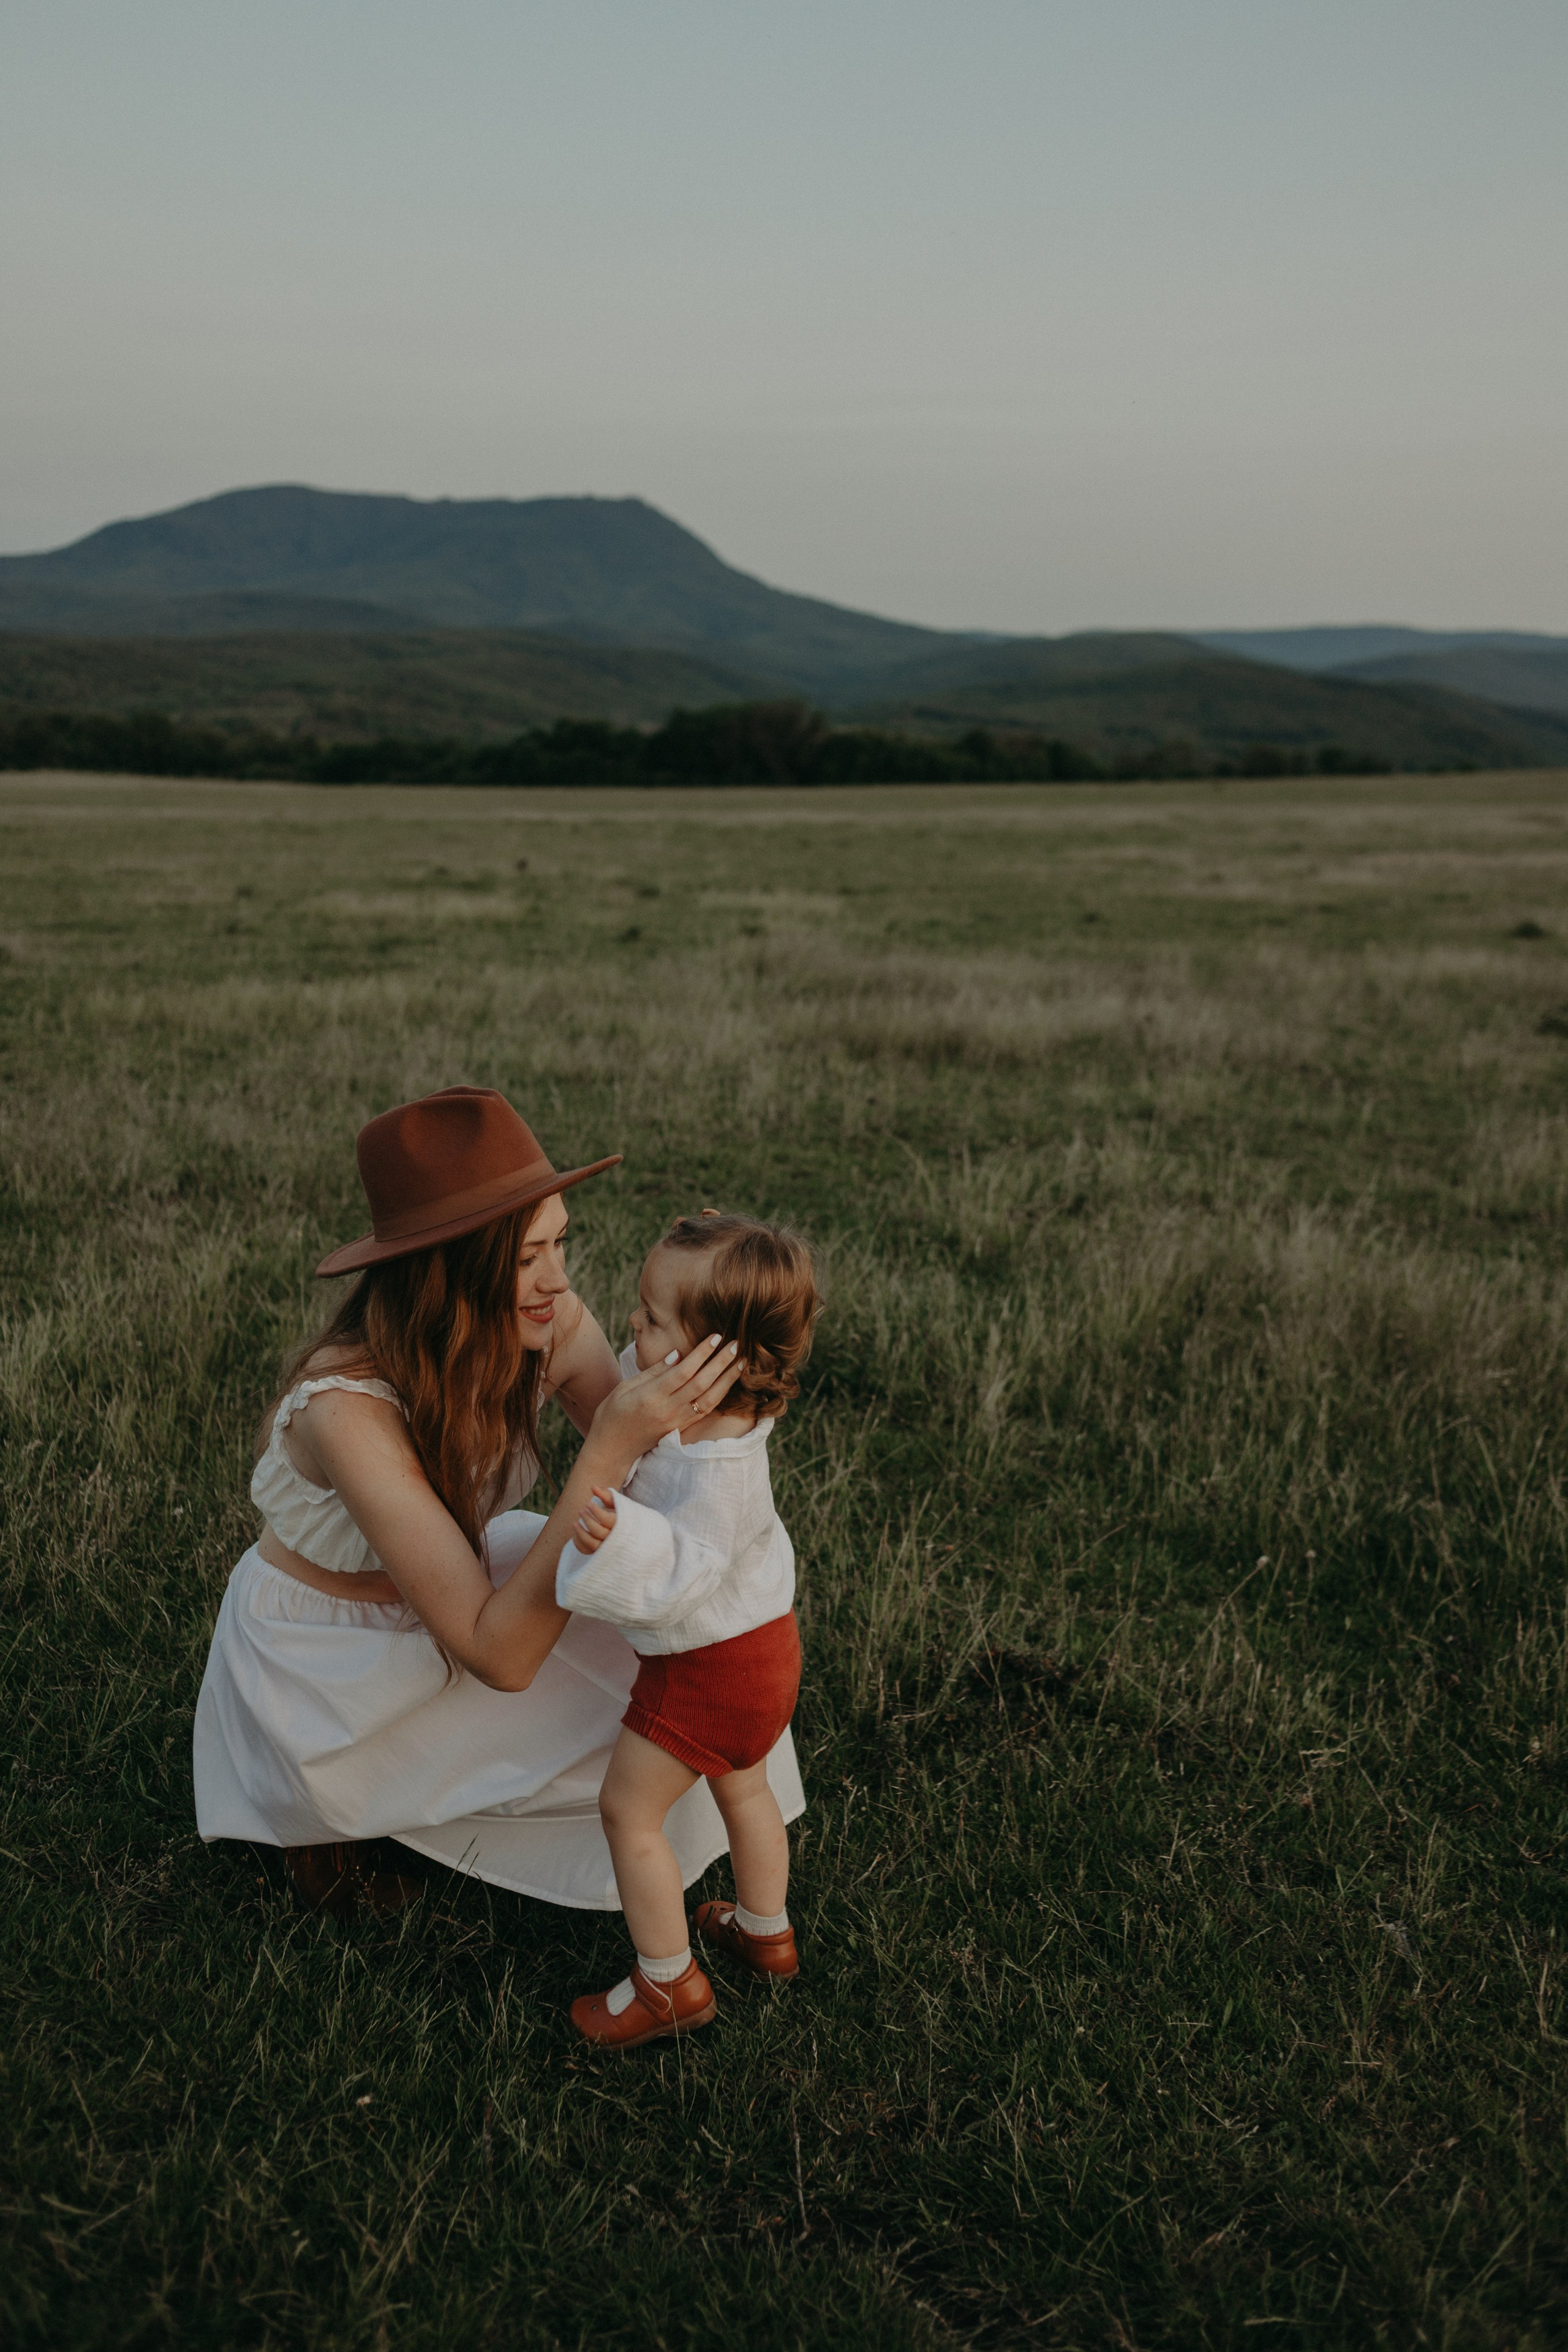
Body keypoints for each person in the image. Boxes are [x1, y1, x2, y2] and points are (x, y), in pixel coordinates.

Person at [192, 1087, 805, 1918]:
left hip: (481, 1589)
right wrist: (608, 1450)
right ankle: (330, 1816)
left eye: (560, 1243)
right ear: (448, 1273)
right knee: (613, 1688)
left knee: (692, 1660)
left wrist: (735, 1393)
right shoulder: (346, 1408)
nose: (557, 1283)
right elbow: (500, 1656)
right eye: (526, 1260)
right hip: (336, 1665)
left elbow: (669, 1466)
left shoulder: (547, 1324)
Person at [553, 1212, 820, 2048]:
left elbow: (683, 1573)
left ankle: (665, 1981)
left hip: (708, 1671)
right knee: (745, 1785)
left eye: (654, 1316)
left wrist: (618, 1539)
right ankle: (764, 1928)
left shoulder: (720, 1471)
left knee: (628, 1811)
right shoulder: (712, 1408)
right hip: (768, 1653)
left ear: (715, 1357)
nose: (634, 1325)